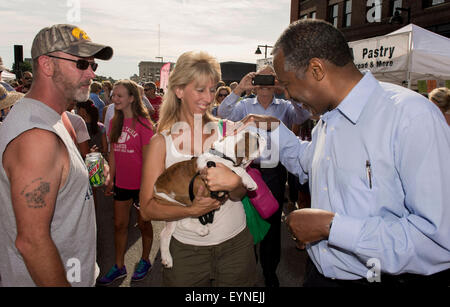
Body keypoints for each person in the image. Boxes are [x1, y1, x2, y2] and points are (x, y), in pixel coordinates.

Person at [243, 19, 450, 286]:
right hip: (319, 274)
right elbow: (309, 164)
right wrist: (274, 129)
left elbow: (436, 238)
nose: (288, 96)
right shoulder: (329, 118)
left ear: (316, 69)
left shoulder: (410, 116)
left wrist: (331, 227)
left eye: (288, 84)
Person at [0, 23, 113, 286]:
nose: (91, 74)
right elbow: (31, 242)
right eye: (81, 64)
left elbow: (58, 175)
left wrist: (86, 170)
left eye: (93, 65)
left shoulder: (59, 118)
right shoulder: (36, 138)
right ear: (47, 65)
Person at [139, 51, 256, 287]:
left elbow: (240, 194)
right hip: (186, 253)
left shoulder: (229, 131)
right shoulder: (161, 143)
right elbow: (147, 209)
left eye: (212, 89)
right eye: (200, 89)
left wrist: (234, 183)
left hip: (236, 244)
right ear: (179, 90)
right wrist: (191, 210)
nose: (209, 97)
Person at [218, 64, 310, 287]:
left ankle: (270, 270)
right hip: (248, 170)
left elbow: (304, 113)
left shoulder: (285, 106)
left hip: (275, 173)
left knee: (271, 223)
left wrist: (285, 89)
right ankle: (250, 265)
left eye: (271, 79)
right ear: (254, 81)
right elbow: (222, 114)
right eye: (261, 79)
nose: (265, 84)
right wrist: (239, 89)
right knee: (246, 219)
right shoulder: (245, 105)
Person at [97, 79, 155, 285]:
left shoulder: (144, 124)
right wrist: (111, 177)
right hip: (122, 184)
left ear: (132, 98)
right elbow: (113, 152)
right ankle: (119, 265)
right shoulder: (114, 121)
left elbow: (150, 161)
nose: (114, 99)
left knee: (143, 224)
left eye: (119, 95)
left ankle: (145, 259)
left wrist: (148, 189)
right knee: (119, 225)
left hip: (141, 186)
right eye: (113, 95)